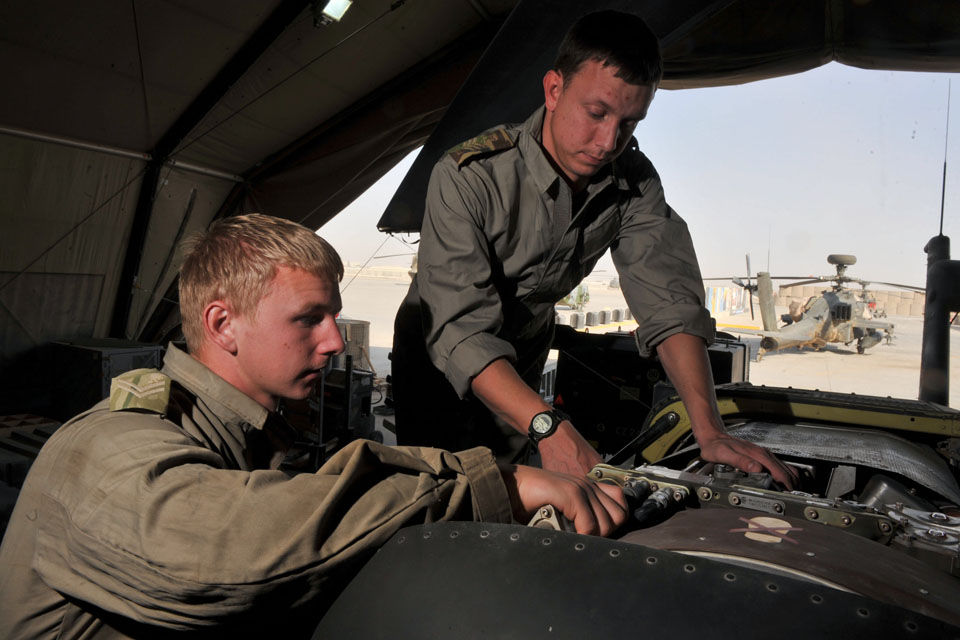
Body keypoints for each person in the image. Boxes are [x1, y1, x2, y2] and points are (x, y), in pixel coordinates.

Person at [0, 214, 627, 639]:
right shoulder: (111, 446)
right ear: (223, 325)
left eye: (336, 315)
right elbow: (229, 548)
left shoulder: (249, 437)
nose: (333, 341)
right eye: (309, 318)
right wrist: (500, 486)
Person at [392, 11, 797, 487]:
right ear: (554, 90)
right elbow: (460, 331)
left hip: (520, 358)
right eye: (597, 113)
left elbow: (669, 302)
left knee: (528, 495)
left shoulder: (634, 182)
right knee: (441, 492)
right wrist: (547, 424)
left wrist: (710, 430)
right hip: (436, 356)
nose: (608, 142)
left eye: (629, 122)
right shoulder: (468, 176)